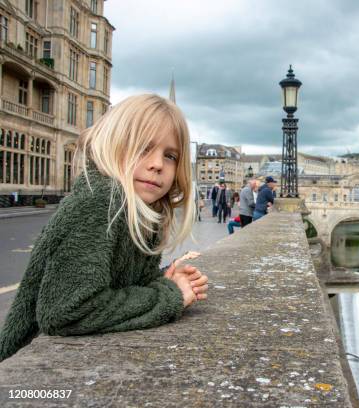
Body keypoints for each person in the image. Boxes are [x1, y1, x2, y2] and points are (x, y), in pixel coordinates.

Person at [0, 94, 209, 362]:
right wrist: (171, 296)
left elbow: (119, 284)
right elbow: (65, 311)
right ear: (113, 143)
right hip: (23, 370)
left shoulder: (141, 209)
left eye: (170, 156)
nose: (157, 164)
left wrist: (164, 280)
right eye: (143, 148)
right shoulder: (101, 201)